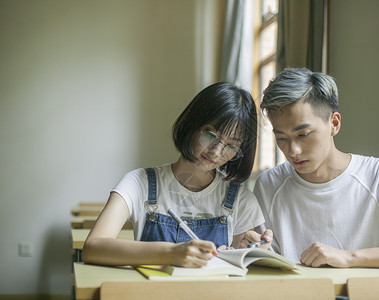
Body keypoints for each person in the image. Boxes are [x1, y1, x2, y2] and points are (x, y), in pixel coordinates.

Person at [254, 67, 379, 268]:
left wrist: (350, 258)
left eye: (303, 134)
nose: (293, 150)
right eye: (282, 138)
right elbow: (262, 263)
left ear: (334, 123)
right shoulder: (269, 184)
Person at [83, 82, 272, 267]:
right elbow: (93, 247)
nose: (216, 152)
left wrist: (251, 253)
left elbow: (237, 265)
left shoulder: (242, 200)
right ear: (191, 124)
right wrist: (170, 253)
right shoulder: (139, 183)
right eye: (210, 135)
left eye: (231, 146)